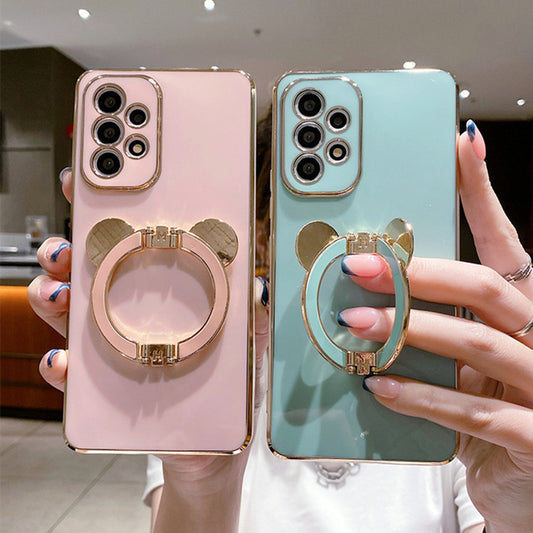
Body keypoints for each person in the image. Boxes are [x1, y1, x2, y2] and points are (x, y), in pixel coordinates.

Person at [28, 118, 533, 533]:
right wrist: (202, 482)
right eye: (306, 208)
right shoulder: (208, 375)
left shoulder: (464, 381)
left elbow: (498, 504)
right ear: (260, 229)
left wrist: (518, 515)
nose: (354, 239)